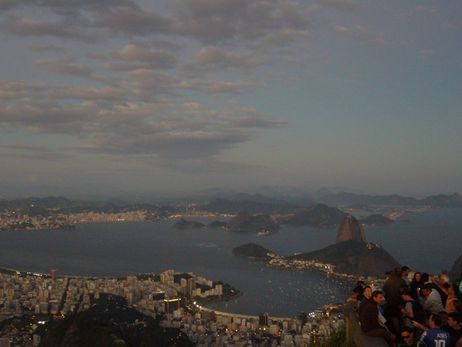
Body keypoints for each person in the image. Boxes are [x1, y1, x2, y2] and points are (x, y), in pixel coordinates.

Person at [384, 268, 407, 334]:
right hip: (398, 306)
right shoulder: (402, 282)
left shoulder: (388, 281)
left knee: (390, 322)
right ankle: (399, 336)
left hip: (389, 305)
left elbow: (384, 290)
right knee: (399, 323)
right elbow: (404, 294)